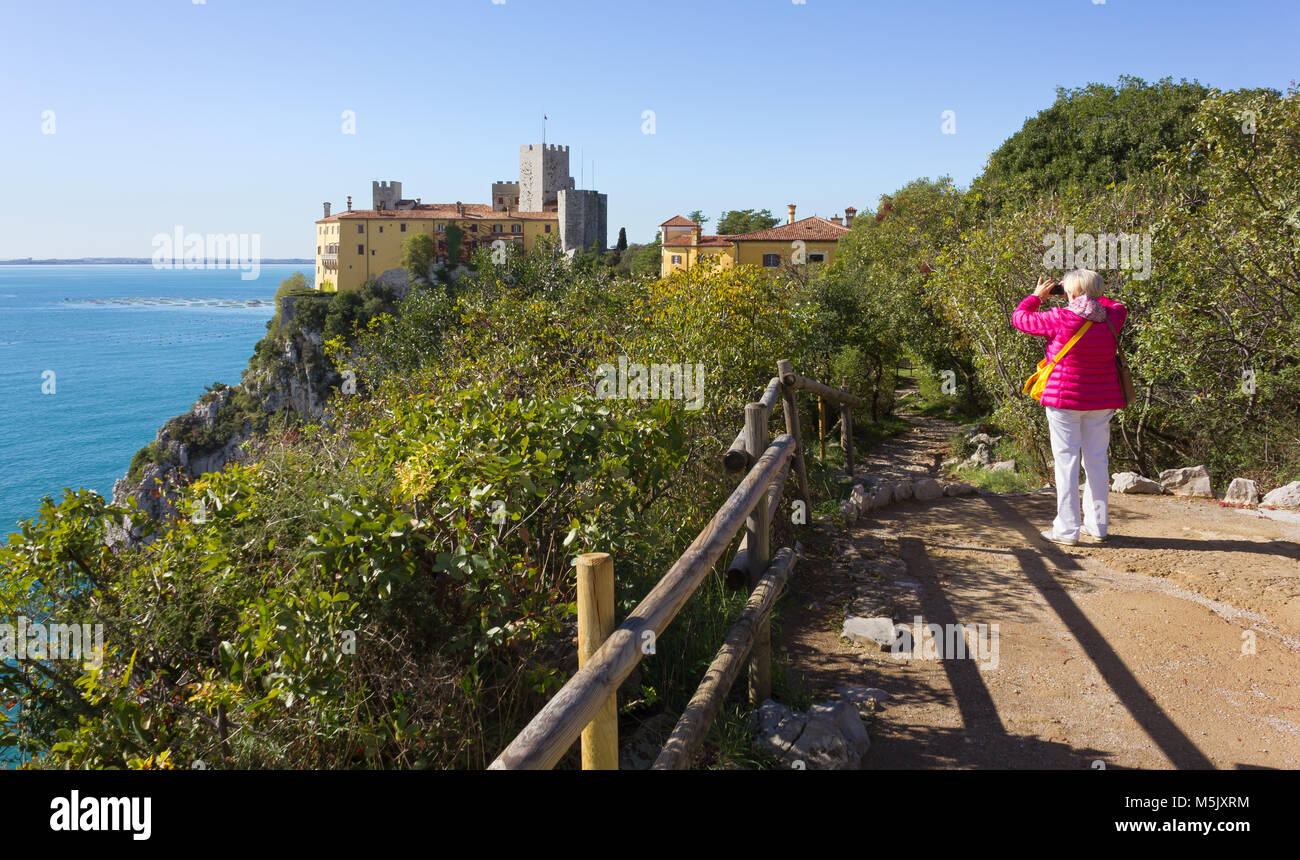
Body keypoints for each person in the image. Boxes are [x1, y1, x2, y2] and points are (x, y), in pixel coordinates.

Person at [1012, 269, 1127, 546]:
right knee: (1097, 463)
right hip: (1102, 401)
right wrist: (1090, 291)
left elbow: (1020, 319)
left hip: (1064, 402)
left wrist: (1037, 297)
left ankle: (1066, 531)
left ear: (1071, 293)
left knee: (1066, 464)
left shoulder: (1061, 318)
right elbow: (1114, 303)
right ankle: (1097, 527)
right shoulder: (1113, 317)